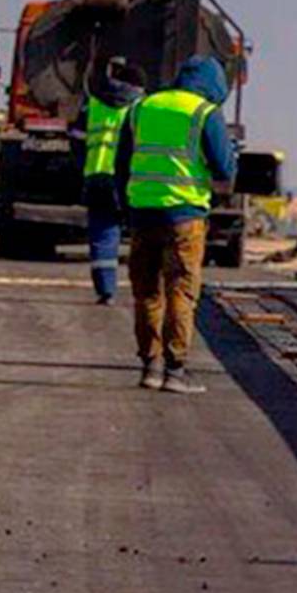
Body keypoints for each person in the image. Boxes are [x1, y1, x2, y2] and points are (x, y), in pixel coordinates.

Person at [115, 56, 236, 395]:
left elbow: (121, 165)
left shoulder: (141, 108)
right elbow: (225, 169)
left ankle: (150, 367)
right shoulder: (204, 112)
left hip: (143, 214)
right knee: (180, 291)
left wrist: (127, 208)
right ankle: (175, 371)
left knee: (146, 292)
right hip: (185, 216)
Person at [78, 56, 145, 304]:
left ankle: (106, 290)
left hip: (96, 176)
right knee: (144, 233)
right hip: (131, 179)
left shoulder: (93, 105)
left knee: (103, 233)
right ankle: (147, 290)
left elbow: (76, 137)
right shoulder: (140, 108)